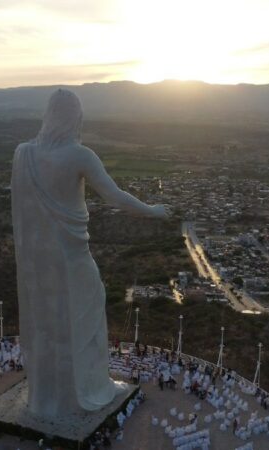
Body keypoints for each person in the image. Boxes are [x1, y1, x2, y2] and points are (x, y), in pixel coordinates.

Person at [11, 89, 168, 418]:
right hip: (71, 256)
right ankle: (83, 393)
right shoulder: (80, 155)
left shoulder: (23, 154)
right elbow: (116, 198)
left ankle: (47, 399)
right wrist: (153, 210)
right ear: (75, 118)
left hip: (40, 261)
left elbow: (23, 215)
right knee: (85, 318)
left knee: (49, 325)